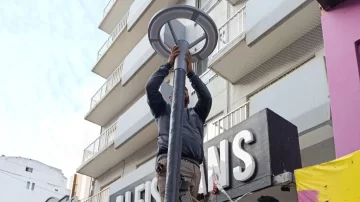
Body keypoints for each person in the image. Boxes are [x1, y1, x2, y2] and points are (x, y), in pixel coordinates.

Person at [145, 46, 212, 201]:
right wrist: (168, 65)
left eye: (186, 90)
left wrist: (190, 72)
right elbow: (151, 87)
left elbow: (206, 98)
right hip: (173, 164)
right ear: (171, 95)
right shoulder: (163, 110)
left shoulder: (196, 114)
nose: (183, 91)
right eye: (178, 88)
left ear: (189, 96)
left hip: (195, 168)